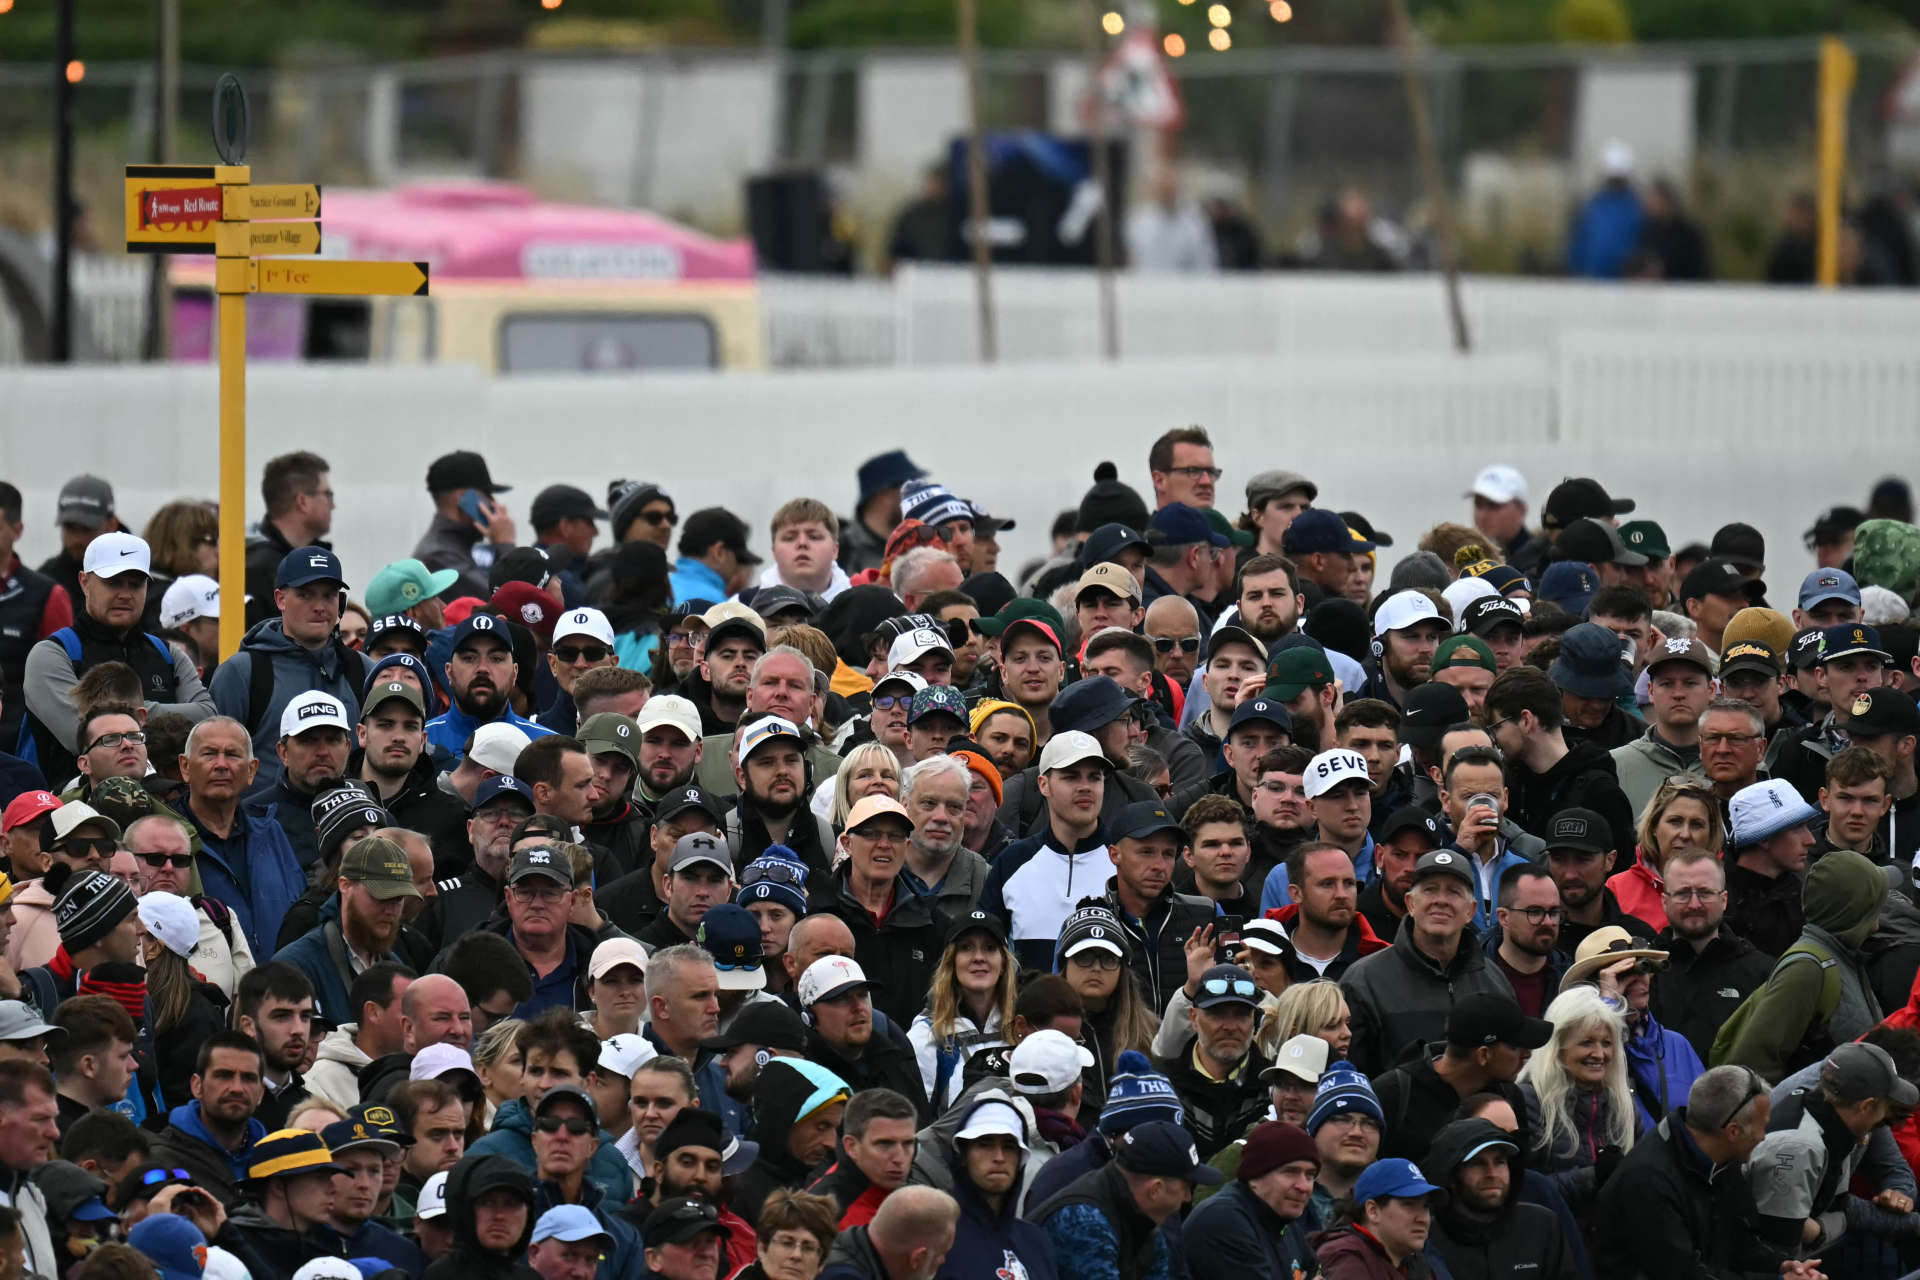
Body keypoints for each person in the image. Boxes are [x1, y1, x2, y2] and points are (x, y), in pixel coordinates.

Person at [21, 532, 213, 786]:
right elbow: (80, 736)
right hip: (77, 815)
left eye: (135, 584)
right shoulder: (52, 654)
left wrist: (112, 715)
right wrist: (165, 725)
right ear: (84, 582)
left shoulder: (168, 654)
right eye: (113, 582)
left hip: (168, 809)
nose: (125, 594)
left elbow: (208, 720)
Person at [1592, 1064, 1817, 1279]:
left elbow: (1739, 1241)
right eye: (1762, 1126)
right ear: (1734, 1132)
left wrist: (1781, 1266)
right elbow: (1682, 1274)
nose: (1763, 1137)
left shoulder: (1722, 1160)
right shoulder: (1649, 1182)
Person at [209, 548, 371, 792]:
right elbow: (214, 761)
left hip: (348, 823)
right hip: (266, 825)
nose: (319, 607)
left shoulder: (362, 669)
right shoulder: (242, 673)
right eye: (306, 595)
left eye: (329, 595)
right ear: (280, 599)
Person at [1340, 849, 1514, 1076]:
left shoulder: (1494, 983)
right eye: (1430, 890)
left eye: (1453, 892)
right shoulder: (1363, 981)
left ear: (1471, 910)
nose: (1441, 901)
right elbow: (1350, 1078)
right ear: (1410, 903)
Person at [1748, 1040, 1918, 1258]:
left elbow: (1839, 1208)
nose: (1888, 1116)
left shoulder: (1835, 1121)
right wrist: (1819, 1231)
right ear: (1866, 1106)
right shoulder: (1800, 1148)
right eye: (1887, 1105)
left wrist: (1819, 1229)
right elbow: (1781, 1261)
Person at [980, 732, 1115, 972]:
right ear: (1044, 785)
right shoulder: (1012, 862)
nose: (1085, 787)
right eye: (1071, 777)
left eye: (1094, 777)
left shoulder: (1124, 860)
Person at [179, 718, 306, 961]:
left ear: (252, 770)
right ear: (185, 767)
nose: (221, 765)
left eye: (233, 755)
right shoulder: (170, 839)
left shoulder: (271, 832)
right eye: (209, 754)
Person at [1032, 1120, 1221, 1280]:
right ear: (1155, 1189)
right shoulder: (1085, 1222)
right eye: (1186, 1187)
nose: (1188, 1197)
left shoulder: (1144, 1216)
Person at [1370, 992, 1545, 1163]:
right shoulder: (1393, 1094)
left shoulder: (1510, 1096)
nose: (1527, 1055)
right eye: (1516, 1046)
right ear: (1483, 1055)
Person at [1482, 666, 1635, 856]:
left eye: (1496, 727)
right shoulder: (1511, 784)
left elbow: (1621, 870)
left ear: (1526, 721)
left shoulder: (1599, 791)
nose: (1494, 738)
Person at [1517, 985, 1635, 1214]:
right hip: (1555, 1241)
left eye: (1607, 1043)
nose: (1600, 1054)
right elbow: (1525, 1193)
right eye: (1587, 1042)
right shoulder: (1528, 1102)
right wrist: (1593, 1176)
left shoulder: (1623, 1105)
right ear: (1558, 1046)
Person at [1424, 1117, 1577, 1280]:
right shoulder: (1426, 1238)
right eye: (1478, 1163)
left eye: (1499, 1162)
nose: (1492, 1173)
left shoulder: (1542, 1225)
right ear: (1451, 1176)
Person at [524, 1085, 642, 1280]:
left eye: (576, 1127)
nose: (562, 1136)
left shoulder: (624, 1240)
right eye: (550, 1124)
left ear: (593, 1146)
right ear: (535, 1141)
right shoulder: (506, 1223)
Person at [1180, 1120, 1318, 1278]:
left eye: (1310, 1175)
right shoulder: (1223, 1219)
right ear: (1255, 1175)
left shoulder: (1283, 1220)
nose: (1304, 1186)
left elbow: (1318, 1271)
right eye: (1290, 1172)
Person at [796, 958, 928, 1123]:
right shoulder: (802, 1079)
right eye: (842, 999)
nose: (858, 1007)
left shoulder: (895, 1057)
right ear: (810, 1016)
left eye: (863, 995)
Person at [908, 911, 1014, 1116]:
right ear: (951, 962)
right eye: (966, 948)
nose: (979, 958)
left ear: (1003, 963)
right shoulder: (927, 1035)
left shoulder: (1023, 1028)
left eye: (990, 948)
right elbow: (916, 1122)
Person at [735, 1058, 852, 1230]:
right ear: (784, 1120)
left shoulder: (823, 1186)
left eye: (836, 1129)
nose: (831, 1143)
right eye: (821, 1127)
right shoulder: (733, 1190)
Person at [218, 1127, 348, 1280]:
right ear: (279, 1187)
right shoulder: (230, 1246)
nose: (333, 1188)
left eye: (330, 1178)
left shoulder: (330, 1243)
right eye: (320, 1178)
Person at [1608, 775, 1725, 935]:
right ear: (1654, 826)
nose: (1685, 834)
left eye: (1696, 825)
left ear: (1711, 832)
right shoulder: (1617, 888)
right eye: (1675, 821)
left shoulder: (1731, 887)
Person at [316, 1106, 426, 1273]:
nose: (364, 1184)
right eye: (351, 1170)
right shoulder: (292, 1246)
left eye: (374, 1171)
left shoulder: (406, 1254)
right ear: (323, 1174)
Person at [1722, 778, 1821, 960]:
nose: (1810, 839)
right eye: (1797, 828)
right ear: (1763, 838)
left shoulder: (1806, 894)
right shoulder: (1716, 901)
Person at [1309, 1156, 1446, 1279]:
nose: (1423, 1219)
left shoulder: (1416, 1264)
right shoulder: (1345, 1258)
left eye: (1426, 1207)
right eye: (1409, 1205)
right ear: (1373, 1211)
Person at [304, 963, 412, 1112]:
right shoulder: (320, 1080)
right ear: (373, 1012)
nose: (418, 1018)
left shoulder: (428, 1070)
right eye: (408, 1008)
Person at [419, 1153, 539, 1280]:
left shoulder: (530, 1277)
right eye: (487, 1203)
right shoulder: (441, 1276)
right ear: (466, 1210)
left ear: (528, 1213)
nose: (499, 1215)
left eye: (511, 1204)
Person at [47, 997, 135, 1138]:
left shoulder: (100, 1127)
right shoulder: (60, 1142)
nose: (134, 1065)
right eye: (123, 1056)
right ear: (89, 1066)